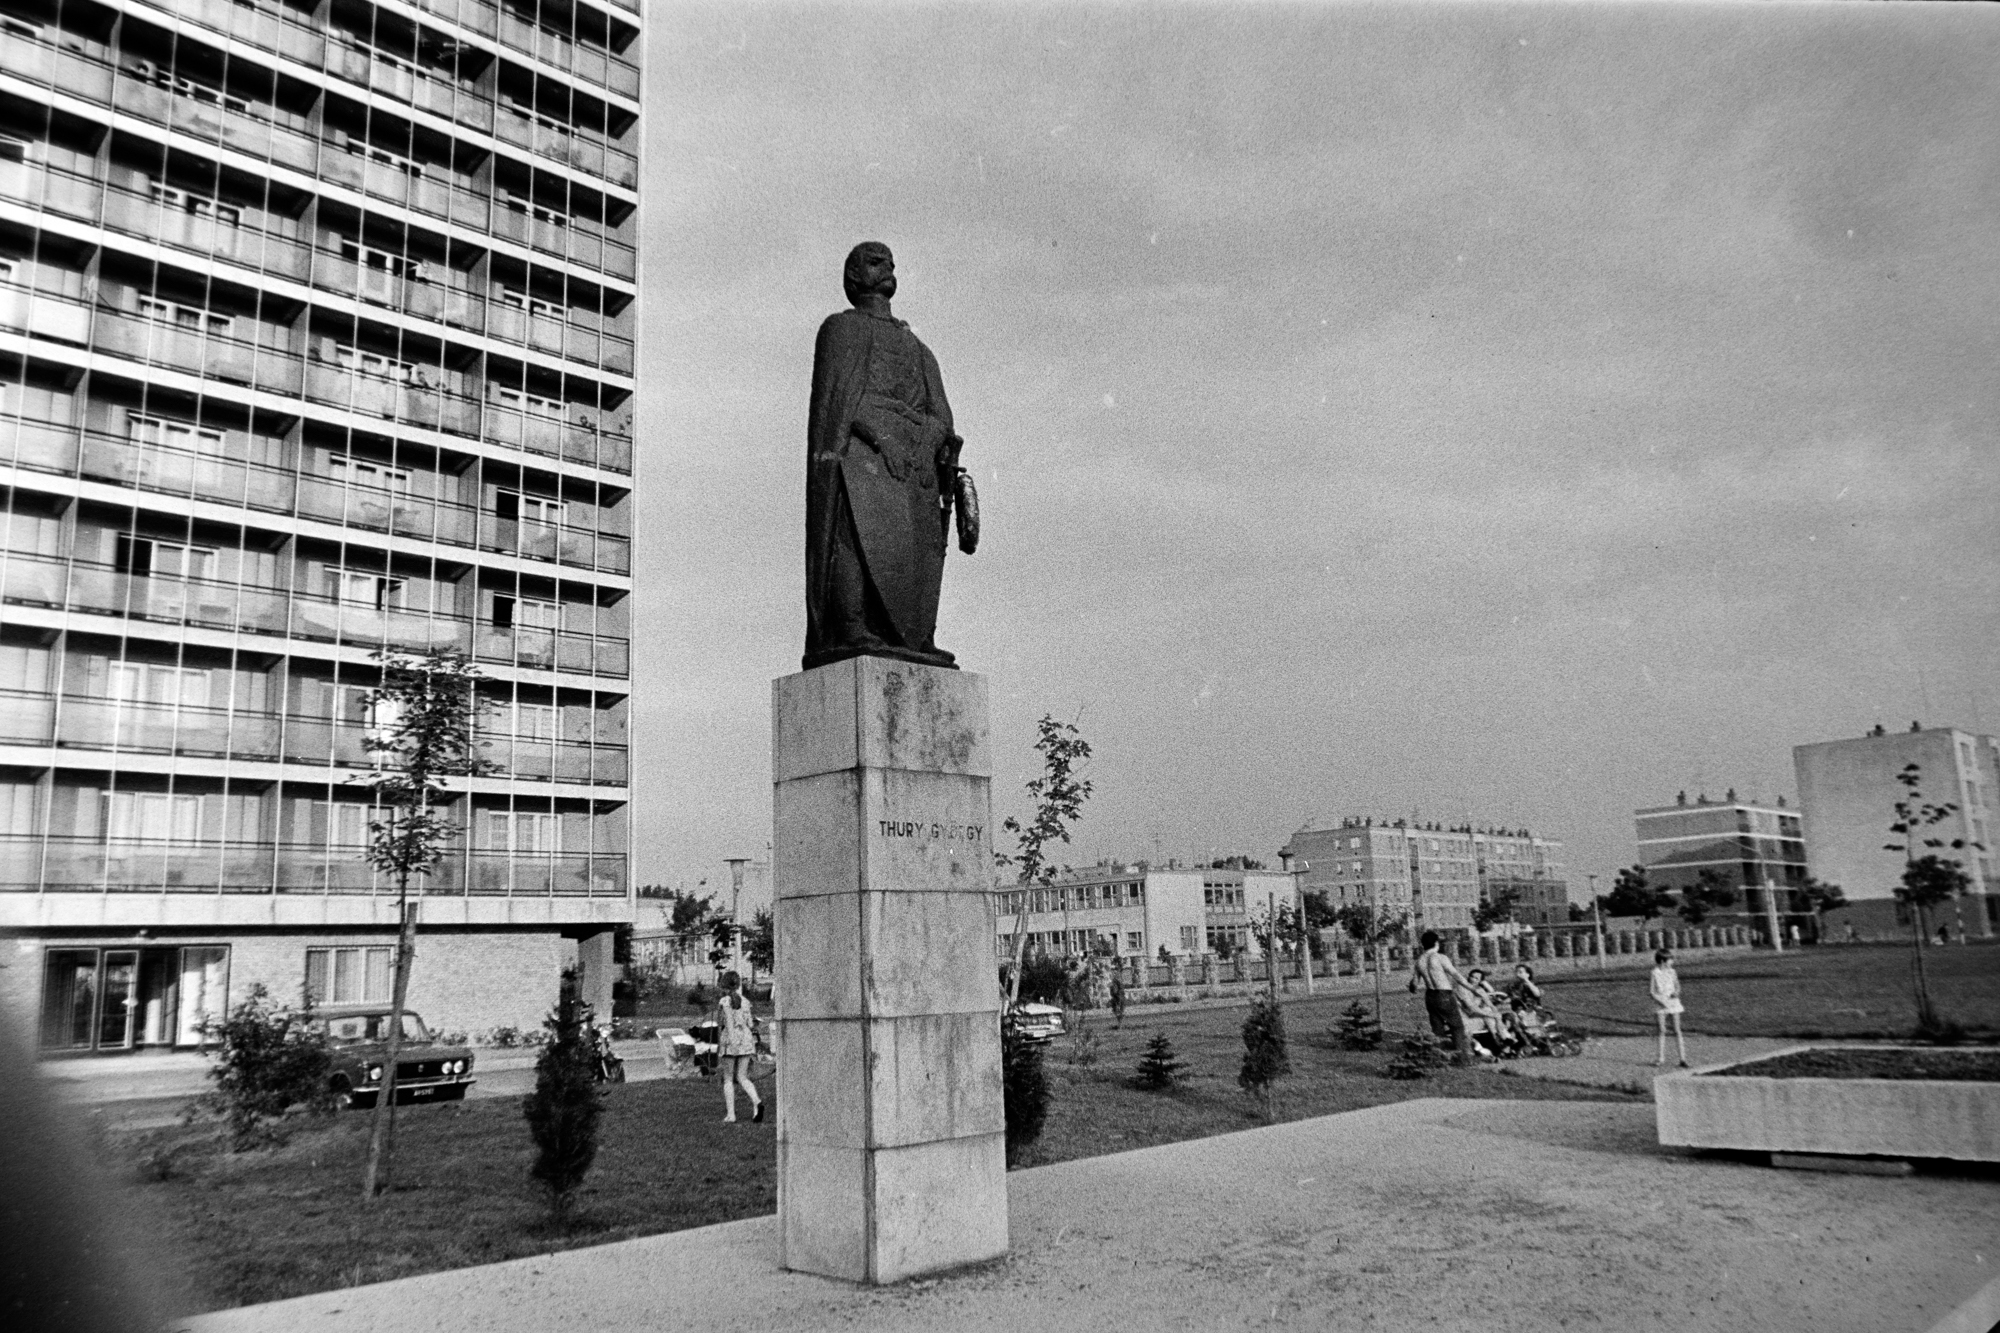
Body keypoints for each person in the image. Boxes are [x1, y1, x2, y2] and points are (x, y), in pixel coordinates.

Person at [803, 241, 976, 670]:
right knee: (854, 542)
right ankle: (852, 627)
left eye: (891, 263)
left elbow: (941, 412)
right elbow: (841, 400)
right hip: (862, 457)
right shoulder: (840, 330)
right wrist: (883, 436)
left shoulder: (915, 345)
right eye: (876, 262)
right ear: (854, 276)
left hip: (914, 465)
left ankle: (918, 635)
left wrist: (923, 442)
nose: (888, 268)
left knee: (920, 549)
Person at [1407, 930, 1472, 1062]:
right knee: (1457, 1026)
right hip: (1444, 994)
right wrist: (1472, 989)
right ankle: (1461, 1059)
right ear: (1436, 943)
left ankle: (1439, 1058)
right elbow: (1456, 975)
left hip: (1430, 996)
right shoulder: (1440, 957)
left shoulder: (1419, 961)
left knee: (1437, 1029)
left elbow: (1414, 984)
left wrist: (1412, 987)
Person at [714, 970, 763, 1124]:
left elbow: (728, 1022)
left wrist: (731, 1040)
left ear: (724, 985)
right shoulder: (746, 1001)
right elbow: (750, 1023)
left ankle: (731, 1115)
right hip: (746, 1039)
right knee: (742, 1076)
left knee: (728, 1078)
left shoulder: (725, 1001)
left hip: (732, 1041)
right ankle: (757, 1101)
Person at [1650, 948, 1689, 1068]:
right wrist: (1661, 1002)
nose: (1672, 961)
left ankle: (1682, 1058)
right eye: (1670, 959)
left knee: (1677, 1030)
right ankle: (1660, 1058)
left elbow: (1677, 986)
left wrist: (1677, 992)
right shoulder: (1654, 973)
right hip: (1661, 1003)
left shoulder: (1672, 972)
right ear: (1662, 961)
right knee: (1662, 1030)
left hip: (1673, 1003)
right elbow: (1652, 991)